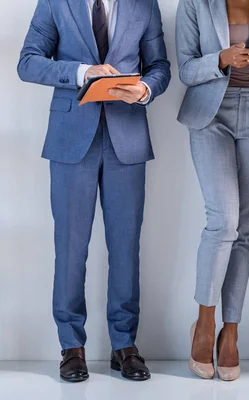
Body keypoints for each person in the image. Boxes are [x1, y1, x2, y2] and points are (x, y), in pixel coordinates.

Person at [17, 0, 170, 383]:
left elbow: (160, 68)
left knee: (125, 247)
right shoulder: (54, 3)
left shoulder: (144, 5)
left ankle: (124, 346)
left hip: (127, 138)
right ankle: (72, 346)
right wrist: (84, 71)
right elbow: (28, 62)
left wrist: (146, 90)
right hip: (71, 140)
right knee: (70, 246)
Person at [176, 0, 249, 381]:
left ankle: (231, 332)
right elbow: (186, 69)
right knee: (222, 221)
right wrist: (222, 59)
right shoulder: (194, 3)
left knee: (244, 229)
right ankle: (204, 324)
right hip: (211, 115)